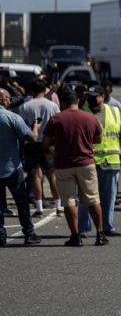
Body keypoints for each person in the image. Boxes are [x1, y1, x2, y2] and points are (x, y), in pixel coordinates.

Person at [43, 89, 107, 247]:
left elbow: (45, 143)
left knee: (69, 201)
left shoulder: (56, 119)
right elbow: (98, 139)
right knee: (93, 199)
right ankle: (100, 234)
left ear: (63, 103)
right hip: (86, 163)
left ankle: (75, 236)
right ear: (78, 102)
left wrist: (56, 145)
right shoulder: (90, 118)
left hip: (63, 164)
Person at [77, 84, 121, 236]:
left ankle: (107, 226)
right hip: (88, 161)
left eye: (94, 97)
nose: (91, 99)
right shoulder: (81, 111)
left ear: (102, 97)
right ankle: (83, 228)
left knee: (109, 197)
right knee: (85, 197)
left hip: (110, 160)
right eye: (89, 97)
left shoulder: (115, 111)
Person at [0, 88, 42, 247]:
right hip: (12, 167)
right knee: (21, 202)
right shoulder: (12, 117)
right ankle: (29, 234)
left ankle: (0, 236)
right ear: (4, 100)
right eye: (8, 98)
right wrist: (35, 127)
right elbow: (31, 138)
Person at [17, 79, 62, 217]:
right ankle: (59, 205)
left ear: (31, 91)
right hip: (49, 142)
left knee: (36, 175)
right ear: (45, 90)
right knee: (52, 174)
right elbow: (59, 124)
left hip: (31, 142)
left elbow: (22, 126)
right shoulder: (52, 105)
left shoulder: (25, 106)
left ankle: (39, 207)